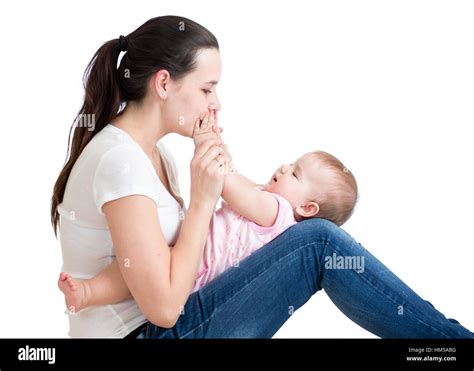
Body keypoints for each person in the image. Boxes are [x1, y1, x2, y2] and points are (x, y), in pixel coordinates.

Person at [51, 15, 473, 338]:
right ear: (164, 84)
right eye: (206, 88)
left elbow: (163, 261)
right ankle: (449, 344)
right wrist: (202, 200)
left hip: (169, 321)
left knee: (316, 240)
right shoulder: (121, 162)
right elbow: (163, 308)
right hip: (147, 333)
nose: (216, 103)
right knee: (319, 241)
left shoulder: (156, 155)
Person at [58, 110, 359, 311]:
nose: (284, 167)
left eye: (295, 173)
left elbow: (226, 182)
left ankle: (89, 293)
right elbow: (232, 176)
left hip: (194, 268)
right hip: (195, 269)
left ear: (306, 208)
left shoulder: (277, 212)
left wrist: (205, 141)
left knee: (134, 269)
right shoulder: (267, 202)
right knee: (134, 268)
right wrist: (219, 149)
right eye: (292, 162)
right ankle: (86, 294)